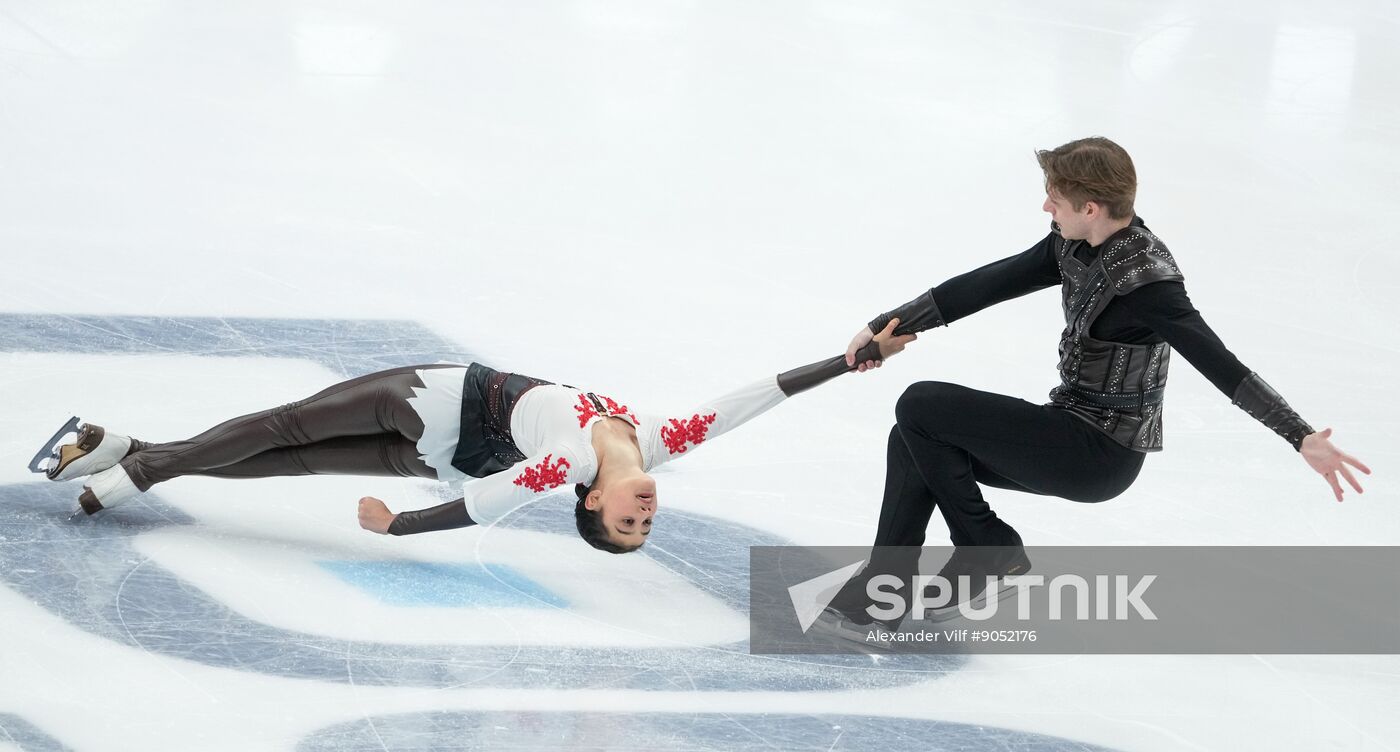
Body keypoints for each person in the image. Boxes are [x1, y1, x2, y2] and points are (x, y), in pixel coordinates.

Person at [828, 136, 1371, 625]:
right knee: (913, 435)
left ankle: (987, 548)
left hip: (1099, 453)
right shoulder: (1073, 244)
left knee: (921, 404)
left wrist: (1300, 435)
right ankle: (886, 586)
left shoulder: (1148, 282)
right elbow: (985, 285)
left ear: (1090, 208)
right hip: (1067, 425)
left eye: (1055, 200)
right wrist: (885, 327)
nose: (1046, 208)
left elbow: (1219, 363)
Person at [34, 326, 915, 553]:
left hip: (437, 406)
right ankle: (132, 451)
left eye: (626, 522)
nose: (644, 511)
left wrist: (398, 526)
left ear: (590, 501)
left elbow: (482, 506)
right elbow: (756, 397)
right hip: (440, 438)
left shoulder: (568, 462)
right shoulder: (663, 441)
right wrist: (850, 361)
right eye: (646, 523)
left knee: (285, 434)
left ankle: (137, 466)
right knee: (283, 452)